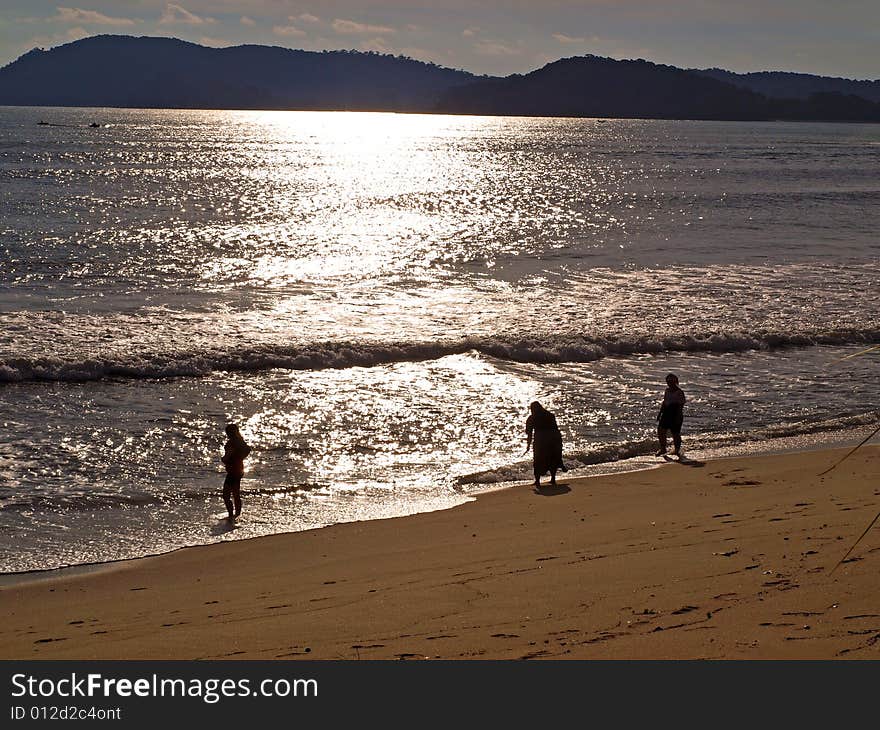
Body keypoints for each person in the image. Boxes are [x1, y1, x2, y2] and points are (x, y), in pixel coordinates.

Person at [525, 401, 565, 488]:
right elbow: (555, 429)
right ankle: (553, 478)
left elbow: (529, 434)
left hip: (540, 441)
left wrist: (528, 445)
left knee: (538, 460)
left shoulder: (532, 418)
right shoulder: (550, 415)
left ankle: (537, 481)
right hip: (553, 440)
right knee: (552, 459)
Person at [221, 423, 251, 520]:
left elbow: (227, 456)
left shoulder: (232, 443)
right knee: (235, 493)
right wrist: (240, 458)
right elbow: (248, 450)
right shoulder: (240, 441)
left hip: (233, 471)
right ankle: (237, 514)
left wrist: (224, 459)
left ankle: (231, 515)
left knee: (226, 494)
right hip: (239, 469)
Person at [656, 373, 686, 457]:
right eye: (668, 381)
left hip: (675, 413)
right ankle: (663, 449)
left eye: (671, 381)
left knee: (675, 433)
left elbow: (680, 406)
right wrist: (660, 413)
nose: (669, 383)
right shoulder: (667, 390)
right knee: (661, 431)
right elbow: (664, 403)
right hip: (666, 413)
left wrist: (678, 417)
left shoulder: (679, 392)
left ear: (675, 381)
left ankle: (676, 450)